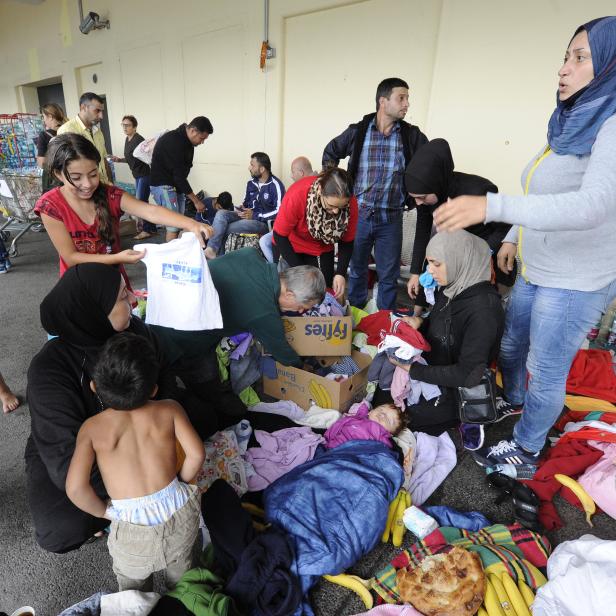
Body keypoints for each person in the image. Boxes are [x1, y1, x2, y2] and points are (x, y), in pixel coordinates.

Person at [432, 17, 616, 465]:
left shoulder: (612, 125)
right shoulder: (572, 122)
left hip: (574, 279)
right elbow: (545, 192)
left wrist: (493, 208)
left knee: (545, 369)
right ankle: (516, 403)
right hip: (538, 267)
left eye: (579, 58)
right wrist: (514, 235)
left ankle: (528, 446)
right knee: (512, 345)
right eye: (565, 57)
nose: (563, 69)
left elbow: (592, 205)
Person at [25, 263, 196, 553]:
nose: (134, 300)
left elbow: (164, 374)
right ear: (93, 309)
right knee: (61, 529)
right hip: (81, 446)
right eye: (121, 297)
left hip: (142, 425)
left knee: (205, 416)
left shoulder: (135, 331)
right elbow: (65, 458)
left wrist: (156, 422)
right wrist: (137, 494)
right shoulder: (50, 369)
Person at [66, 332, 204, 591]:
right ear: (153, 389)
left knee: (133, 594)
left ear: (94, 386)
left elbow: (75, 488)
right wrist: (181, 483)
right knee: (185, 582)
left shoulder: (92, 429)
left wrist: (104, 511)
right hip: (179, 513)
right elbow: (196, 454)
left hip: (131, 527)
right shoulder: (170, 409)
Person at [375, 230, 509, 440]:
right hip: (432, 370)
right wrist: (421, 322)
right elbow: (448, 328)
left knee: (398, 417)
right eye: (429, 263)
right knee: (381, 399)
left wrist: (412, 369)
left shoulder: (484, 310)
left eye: (437, 264)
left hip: (455, 390)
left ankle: (466, 423)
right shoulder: (453, 288)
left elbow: (468, 375)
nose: (430, 270)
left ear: (461, 259)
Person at [34, 133, 212, 279]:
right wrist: (117, 258)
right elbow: (71, 258)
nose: (87, 184)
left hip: (115, 284)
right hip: (79, 285)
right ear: (58, 174)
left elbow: (150, 211)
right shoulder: (51, 206)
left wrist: (191, 224)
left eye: (93, 174)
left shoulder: (110, 194)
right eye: (76, 177)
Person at [151, 248, 326, 392]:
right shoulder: (264, 312)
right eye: (303, 306)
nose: (301, 311)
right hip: (179, 337)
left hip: (160, 307)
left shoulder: (250, 254)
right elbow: (282, 352)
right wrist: (303, 368)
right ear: (289, 293)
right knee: (198, 393)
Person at [322, 77, 428, 310]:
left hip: (391, 219)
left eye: (408, 98)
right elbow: (331, 151)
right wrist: (336, 186)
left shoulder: (411, 136)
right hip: (359, 216)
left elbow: (430, 161)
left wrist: (419, 194)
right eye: (401, 98)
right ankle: (358, 318)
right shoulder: (358, 132)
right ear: (383, 101)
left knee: (388, 277)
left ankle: (384, 323)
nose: (407, 104)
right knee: (357, 271)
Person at [404, 138, 513, 309]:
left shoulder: (479, 191)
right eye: (414, 197)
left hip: (487, 263)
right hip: (456, 261)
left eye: (422, 197)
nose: (418, 203)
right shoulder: (428, 198)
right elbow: (423, 235)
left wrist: (485, 254)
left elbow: (505, 227)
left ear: (437, 184)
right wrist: (416, 273)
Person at [272, 167, 358, 299]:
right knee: (292, 293)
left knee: (322, 293)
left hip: (321, 247)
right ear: (320, 191)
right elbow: (280, 235)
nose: (336, 212)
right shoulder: (298, 194)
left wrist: (340, 273)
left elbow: (347, 241)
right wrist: (302, 272)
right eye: (331, 206)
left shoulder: (350, 202)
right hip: (289, 245)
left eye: (340, 208)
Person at [204, 152, 285, 258]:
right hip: (246, 216)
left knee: (225, 228)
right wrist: (241, 208)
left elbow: (280, 211)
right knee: (221, 213)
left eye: (252, 165)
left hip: (261, 223)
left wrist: (254, 215)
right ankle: (211, 249)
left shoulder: (276, 185)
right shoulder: (250, 183)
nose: (249, 167)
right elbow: (246, 203)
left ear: (262, 169)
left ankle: (217, 256)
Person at [150, 116, 214, 242]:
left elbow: (181, 174)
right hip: (163, 185)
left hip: (176, 186)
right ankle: (170, 258)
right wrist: (196, 201)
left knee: (179, 223)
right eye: (202, 138)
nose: (202, 142)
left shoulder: (187, 142)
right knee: (173, 225)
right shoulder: (174, 141)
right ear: (193, 131)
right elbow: (178, 176)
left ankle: (175, 253)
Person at [110, 115, 156, 240]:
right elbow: (132, 158)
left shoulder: (139, 140)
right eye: (123, 125)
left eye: (128, 125)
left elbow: (148, 157)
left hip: (144, 174)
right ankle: (151, 228)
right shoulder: (128, 139)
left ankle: (147, 230)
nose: (125, 127)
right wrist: (120, 160)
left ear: (134, 127)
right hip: (137, 175)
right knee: (143, 201)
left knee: (141, 202)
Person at [57, 92, 111, 183]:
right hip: (85, 188)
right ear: (83, 107)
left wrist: (109, 181)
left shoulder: (98, 132)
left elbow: (103, 159)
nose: (101, 116)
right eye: (97, 111)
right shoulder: (67, 130)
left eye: (102, 111)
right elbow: (65, 167)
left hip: (103, 185)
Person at [323, 401, 404, 450]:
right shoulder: (356, 417)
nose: (382, 415)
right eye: (381, 409)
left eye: (388, 420)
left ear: (389, 434)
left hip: (346, 454)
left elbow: (383, 454)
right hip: (329, 446)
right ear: (370, 412)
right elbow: (338, 425)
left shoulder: (382, 440)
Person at [36, 102, 67, 193]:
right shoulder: (69, 130)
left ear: (50, 116)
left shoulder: (44, 135)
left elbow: (42, 163)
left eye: (44, 117)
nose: (44, 120)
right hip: (70, 177)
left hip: (53, 180)